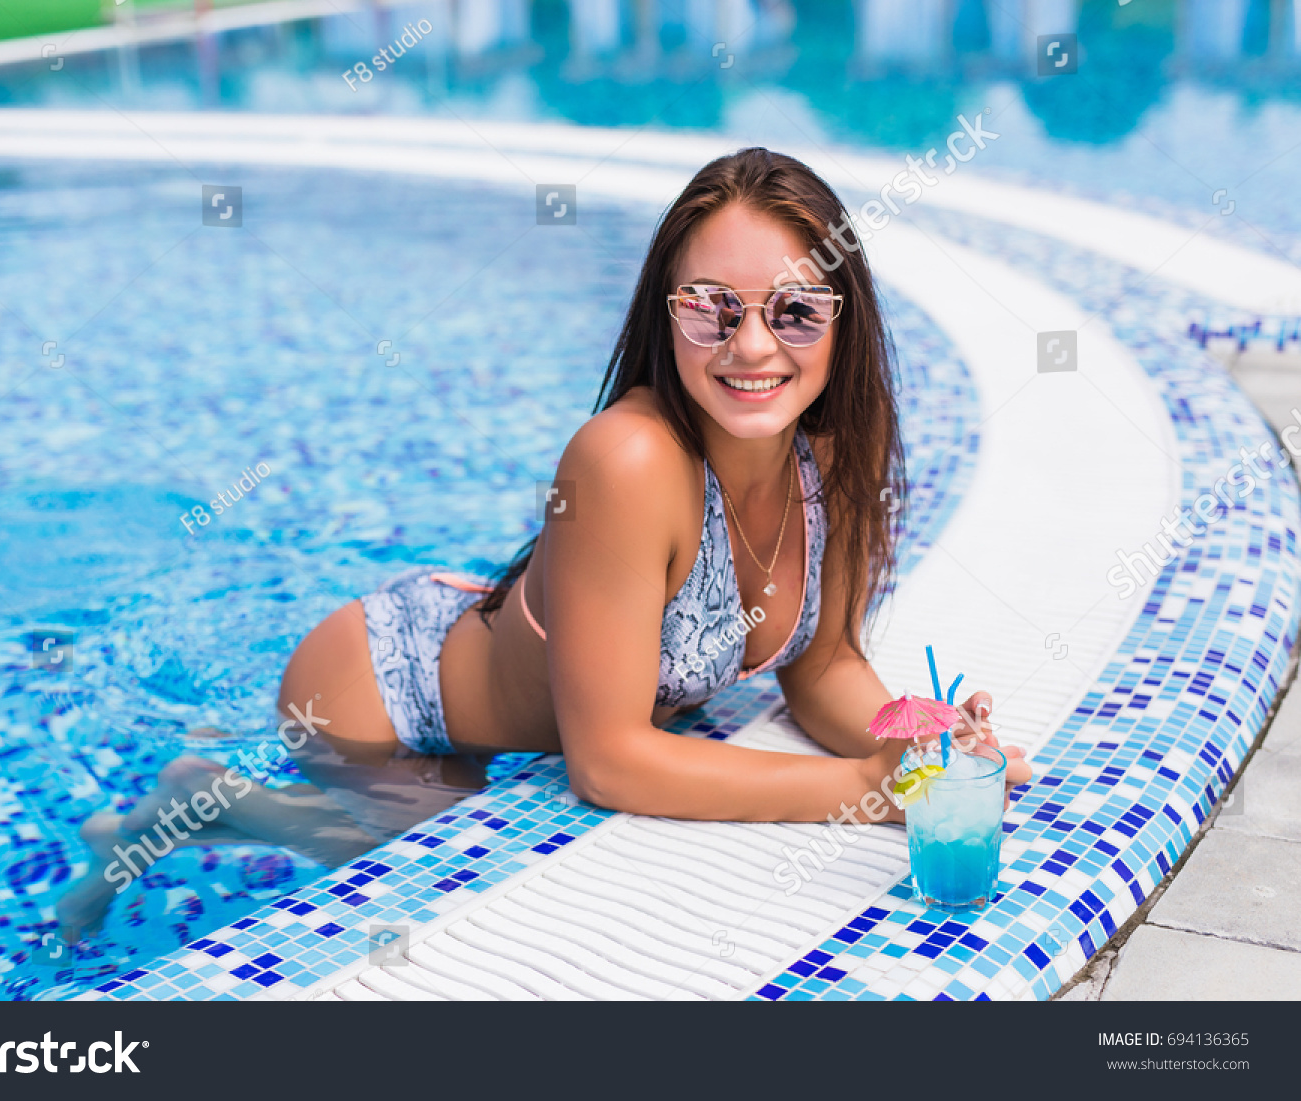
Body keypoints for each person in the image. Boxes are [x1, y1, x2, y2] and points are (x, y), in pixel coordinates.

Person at [56, 147, 1032, 938]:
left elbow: (823, 666)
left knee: (455, 860)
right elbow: (606, 762)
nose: (751, 346)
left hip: (482, 646)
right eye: (710, 307)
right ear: (666, 310)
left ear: (840, 319)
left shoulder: (836, 456)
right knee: (433, 883)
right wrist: (858, 791)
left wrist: (918, 745)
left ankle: (195, 799)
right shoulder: (629, 460)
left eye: (794, 310)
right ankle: (201, 803)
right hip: (376, 694)